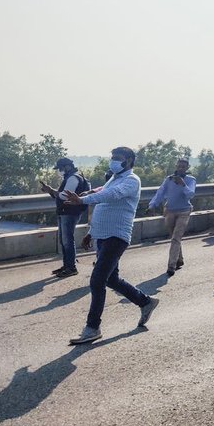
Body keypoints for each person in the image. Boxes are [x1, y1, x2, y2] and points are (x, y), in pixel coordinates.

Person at [63, 147, 159, 345]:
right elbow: (105, 205)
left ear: (129, 161)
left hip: (117, 237)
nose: (114, 161)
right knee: (111, 279)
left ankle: (92, 328)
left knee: (97, 280)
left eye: (118, 158)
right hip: (104, 236)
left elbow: (110, 196)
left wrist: (82, 200)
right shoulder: (114, 178)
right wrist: (92, 233)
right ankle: (145, 302)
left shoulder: (131, 180)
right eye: (112, 157)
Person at [39, 157, 89, 277]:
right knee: (63, 239)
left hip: (70, 212)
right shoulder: (72, 176)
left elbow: (65, 196)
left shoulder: (73, 178)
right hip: (65, 211)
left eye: (60, 168)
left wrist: (51, 190)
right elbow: (62, 194)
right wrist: (51, 191)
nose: (60, 171)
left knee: (67, 240)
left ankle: (71, 267)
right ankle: (67, 265)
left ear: (67, 167)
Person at [147, 158, 197, 276]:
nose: (180, 168)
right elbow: (160, 193)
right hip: (170, 211)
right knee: (174, 237)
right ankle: (179, 259)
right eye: (179, 166)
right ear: (176, 166)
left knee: (176, 237)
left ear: (187, 168)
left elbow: (191, 194)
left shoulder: (190, 180)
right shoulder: (169, 179)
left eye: (183, 167)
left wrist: (183, 184)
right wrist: (152, 205)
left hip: (184, 211)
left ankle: (171, 266)